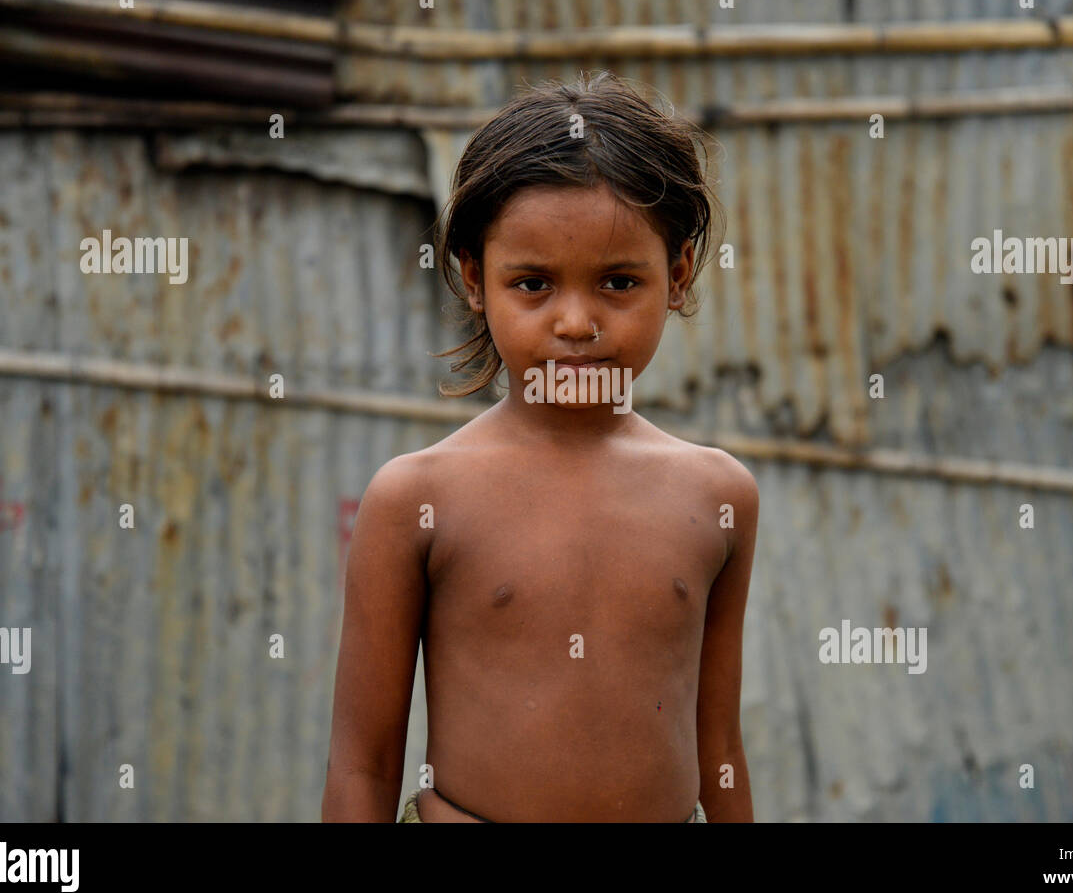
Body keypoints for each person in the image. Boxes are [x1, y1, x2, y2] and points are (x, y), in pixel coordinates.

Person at [322, 71, 757, 822]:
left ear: (678, 274)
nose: (576, 322)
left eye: (619, 282)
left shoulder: (718, 496)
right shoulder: (416, 499)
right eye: (533, 284)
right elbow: (363, 763)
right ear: (472, 277)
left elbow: (717, 745)